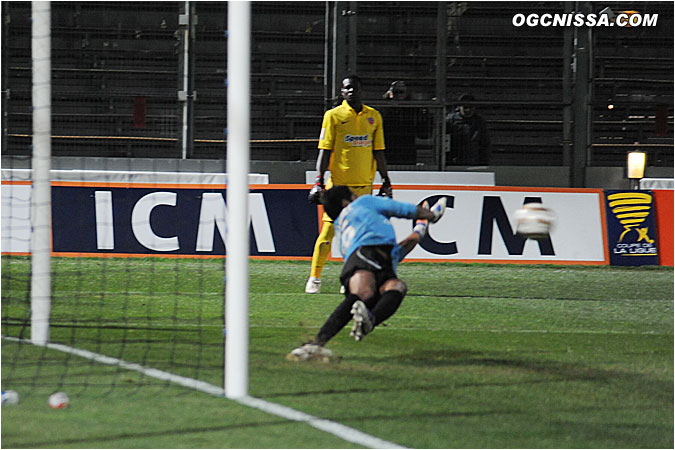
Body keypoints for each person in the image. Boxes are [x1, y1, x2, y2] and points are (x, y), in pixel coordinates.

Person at [288, 186, 447, 361]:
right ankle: (315, 344)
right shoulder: (364, 202)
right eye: (353, 195)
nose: (358, 196)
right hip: (369, 254)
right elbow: (404, 209)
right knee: (367, 293)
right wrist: (431, 216)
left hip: (368, 259)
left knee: (395, 286)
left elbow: (395, 253)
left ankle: (364, 322)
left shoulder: (345, 227)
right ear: (345, 201)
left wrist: (419, 231)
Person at [305, 74, 393, 294]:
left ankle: (352, 279)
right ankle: (314, 278)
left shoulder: (374, 116)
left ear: (361, 90)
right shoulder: (333, 116)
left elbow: (378, 151)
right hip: (338, 188)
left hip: (364, 186)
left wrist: (386, 180)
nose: (351, 91)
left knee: (360, 236)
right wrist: (319, 181)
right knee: (327, 234)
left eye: (354, 87)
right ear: (341, 93)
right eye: (346, 88)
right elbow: (324, 152)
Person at [446, 93, 491, 165]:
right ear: (460, 107)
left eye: (471, 107)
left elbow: (485, 144)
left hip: (473, 160)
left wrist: (483, 162)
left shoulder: (480, 122)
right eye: (465, 107)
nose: (468, 110)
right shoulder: (451, 120)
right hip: (454, 160)